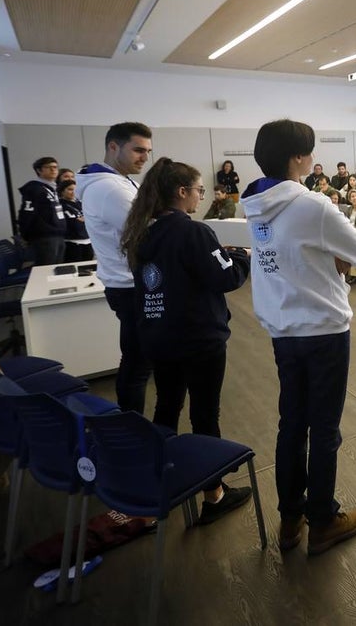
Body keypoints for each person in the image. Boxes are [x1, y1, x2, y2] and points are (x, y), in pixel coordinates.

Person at [241, 119, 356, 555]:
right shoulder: (314, 206)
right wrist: (328, 261)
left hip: (282, 329)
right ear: (298, 158)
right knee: (325, 427)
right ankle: (322, 520)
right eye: (310, 151)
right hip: (323, 328)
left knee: (291, 424)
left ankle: (290, 517)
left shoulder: (254, 203)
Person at [121, 157, 253, 524]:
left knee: (167, 406)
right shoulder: (194, 232)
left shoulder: (142, 232)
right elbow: (225, 279)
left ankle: (158, 487)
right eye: (197, 190)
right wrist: (240, 258)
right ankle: (213, 493)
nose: (200, 197)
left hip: (159, 337)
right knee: (205, 414)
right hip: (198, 339)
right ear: (181, 193)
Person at [78, 122, 154, 413]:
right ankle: (131, 430)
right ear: (113, 147)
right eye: (137, 150)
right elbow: (151, 232)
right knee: (137, 365)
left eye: (147, 151)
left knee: (138, 361)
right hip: (129, 287)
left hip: (128, 283)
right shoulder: (110, 188)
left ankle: (130, 427)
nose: (144, 157)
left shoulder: (120, 182)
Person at [17, 156, 66, 265]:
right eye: (49, 167)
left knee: (58, 270)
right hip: (45, 237)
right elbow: (26, 214)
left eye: (55, 167)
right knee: (46, 271)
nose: (53, 170)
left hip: (58, 234)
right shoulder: (34, 188)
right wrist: (25, 235)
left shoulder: (52, 188)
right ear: (39, 170)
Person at [58, 178, 93, 262]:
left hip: (87, 240)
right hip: (72, 243)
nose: (73, 192)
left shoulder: (80, 204)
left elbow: (91, 219)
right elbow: (71, 224)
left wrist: (83, 220)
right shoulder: (60, 205)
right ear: (62, 191)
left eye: (75, 189)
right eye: (70, 189)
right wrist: (80, 221)